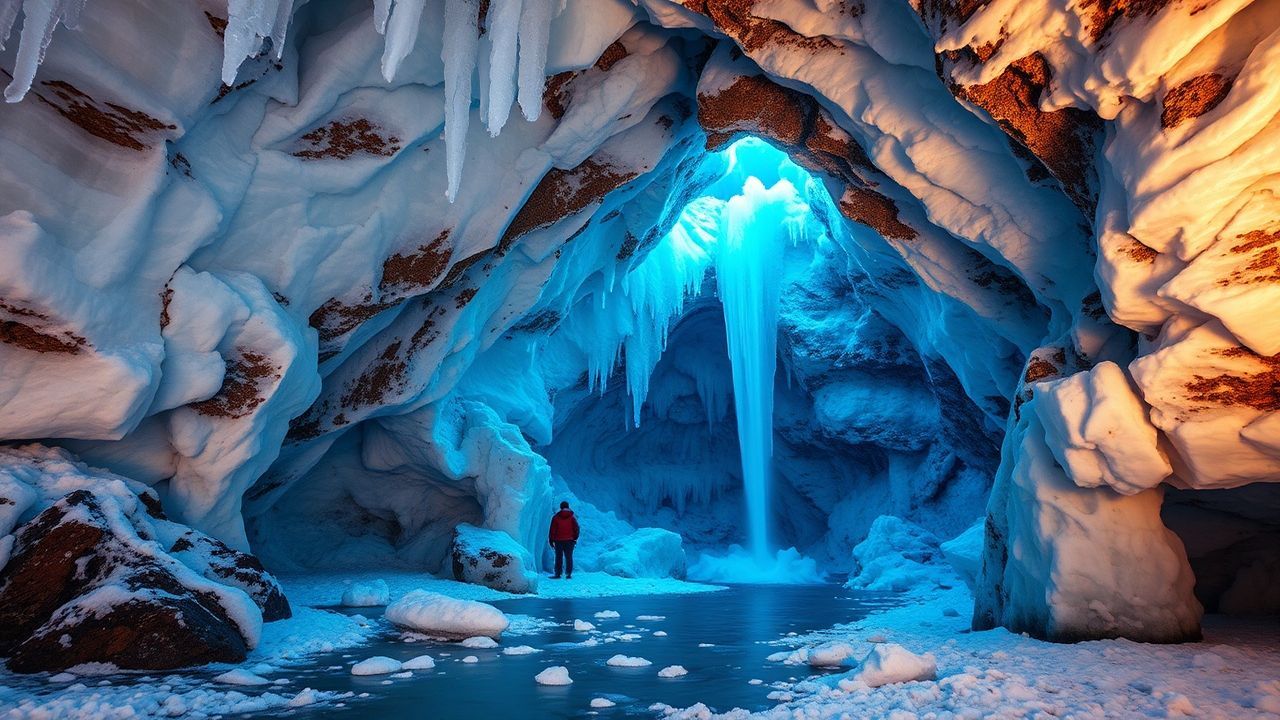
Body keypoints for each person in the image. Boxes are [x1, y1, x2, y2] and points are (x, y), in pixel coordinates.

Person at [548, 501, 580, 579]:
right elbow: (576, 528)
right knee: (569, 557)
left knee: (558, 557)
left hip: (558, 540)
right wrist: (575, 538)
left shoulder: (556, 517)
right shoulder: (572, 517)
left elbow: (552, 529)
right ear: (568, 507)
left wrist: (551, 540)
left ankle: (558, 574)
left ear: (561, 507)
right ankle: (568, 573)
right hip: (570, 540)